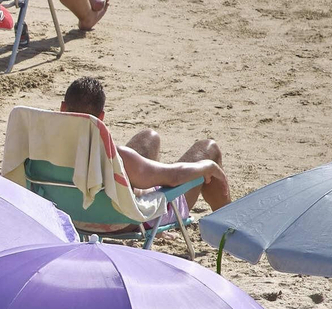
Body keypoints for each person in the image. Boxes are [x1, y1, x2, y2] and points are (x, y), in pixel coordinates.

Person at [60, 77, 230, 211]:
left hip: (72, 212)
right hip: (126, 219)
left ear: (62, 108)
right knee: (209, 148)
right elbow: (174, 178)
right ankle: (230, 233)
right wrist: (208, 166)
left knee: (149, 137)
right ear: (101, 117)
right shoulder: (114, 155)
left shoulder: (41, 146)